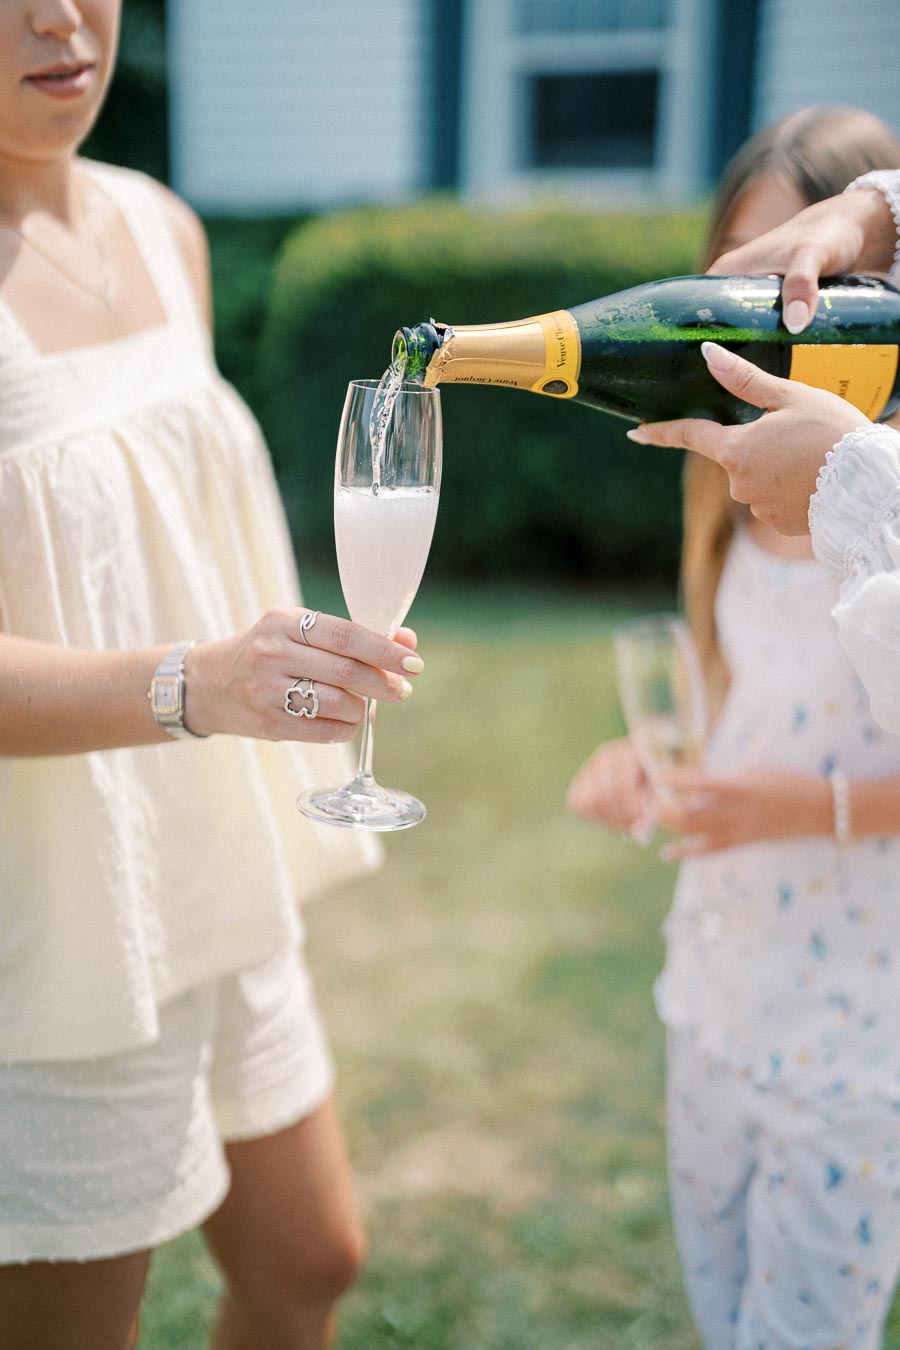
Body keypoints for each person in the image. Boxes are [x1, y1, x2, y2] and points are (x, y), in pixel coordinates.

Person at [0, 4, 427, 1348]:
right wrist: (198, 681)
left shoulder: (160, 226)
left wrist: (256, 672)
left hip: (210, 852)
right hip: (53, 912)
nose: (57, 17)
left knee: (309, 1259)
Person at [568, 108, 900, 1349]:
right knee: (724, 1318)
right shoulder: (730, 490)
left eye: (792, 289)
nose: (755, 334)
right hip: (713, 992)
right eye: (735, 285)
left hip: (858, 1027)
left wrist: (790, 809)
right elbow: (734, 697)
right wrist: (651, 764)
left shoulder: (883, 497)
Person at [628, 167, 900, 734]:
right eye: (748, 271)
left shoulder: (877, 534)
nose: (760, 320)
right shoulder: (727, 499)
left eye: (799, 280)